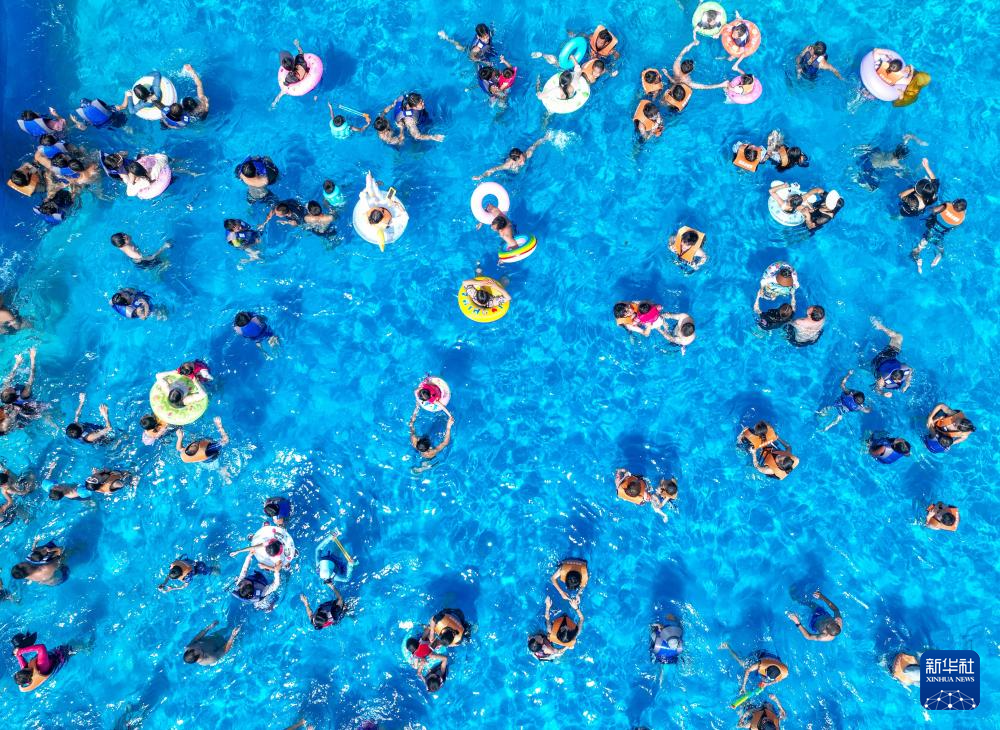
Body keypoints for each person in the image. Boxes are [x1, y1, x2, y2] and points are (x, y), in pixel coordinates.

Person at [911, 198, 966, 273]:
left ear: (954, 203)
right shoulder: (961, 218)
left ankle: (918, 262)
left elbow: (934, 210)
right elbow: (954, 228)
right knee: (941, 250)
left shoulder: (946, 206)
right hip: (940, 235)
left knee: (917, 249)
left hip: (931, 232)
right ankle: (939, 255)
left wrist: (930, 209)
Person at [472, 134, 551, 180]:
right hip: (509, 173)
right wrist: (481, 176)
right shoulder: (508, 165)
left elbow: (535, 144)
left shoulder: (528, 154)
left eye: (523, 158)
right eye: (520, 161)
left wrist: (546, 137)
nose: (523, 162)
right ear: (514, 161)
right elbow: (493, 169)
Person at [720, 642, 790, 694]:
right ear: (765, 669)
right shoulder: (761, 664)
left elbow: (777, 680)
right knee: (743, 664)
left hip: (772, 657)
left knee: (765, 680)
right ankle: (727, 646)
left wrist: (767, 684)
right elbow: (747, 671)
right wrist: (743, 686)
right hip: (760, 655)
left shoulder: (785, 673)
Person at [871, 317, 912, 397]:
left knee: (899, 337)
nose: (899, 382)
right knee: (899, 336)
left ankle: (881, 327)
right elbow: (877, 389)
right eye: (898, 381)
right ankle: (880, 326)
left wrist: (907, 384)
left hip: (888, 357)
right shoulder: (883, 379)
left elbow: (910, 370)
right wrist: (883, 393)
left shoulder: (904, 368)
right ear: (892, 378)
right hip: (878, 361)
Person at [272, 40, 312, 107]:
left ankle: (274, 103)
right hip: (311, 78)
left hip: (305, 90)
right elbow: (301, 52)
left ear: (286, 69)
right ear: (293, 59)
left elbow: (284, 89)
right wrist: (297, 45)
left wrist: (275, 100)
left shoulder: (289, 78)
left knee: (282, 92)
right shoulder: (300, 60)